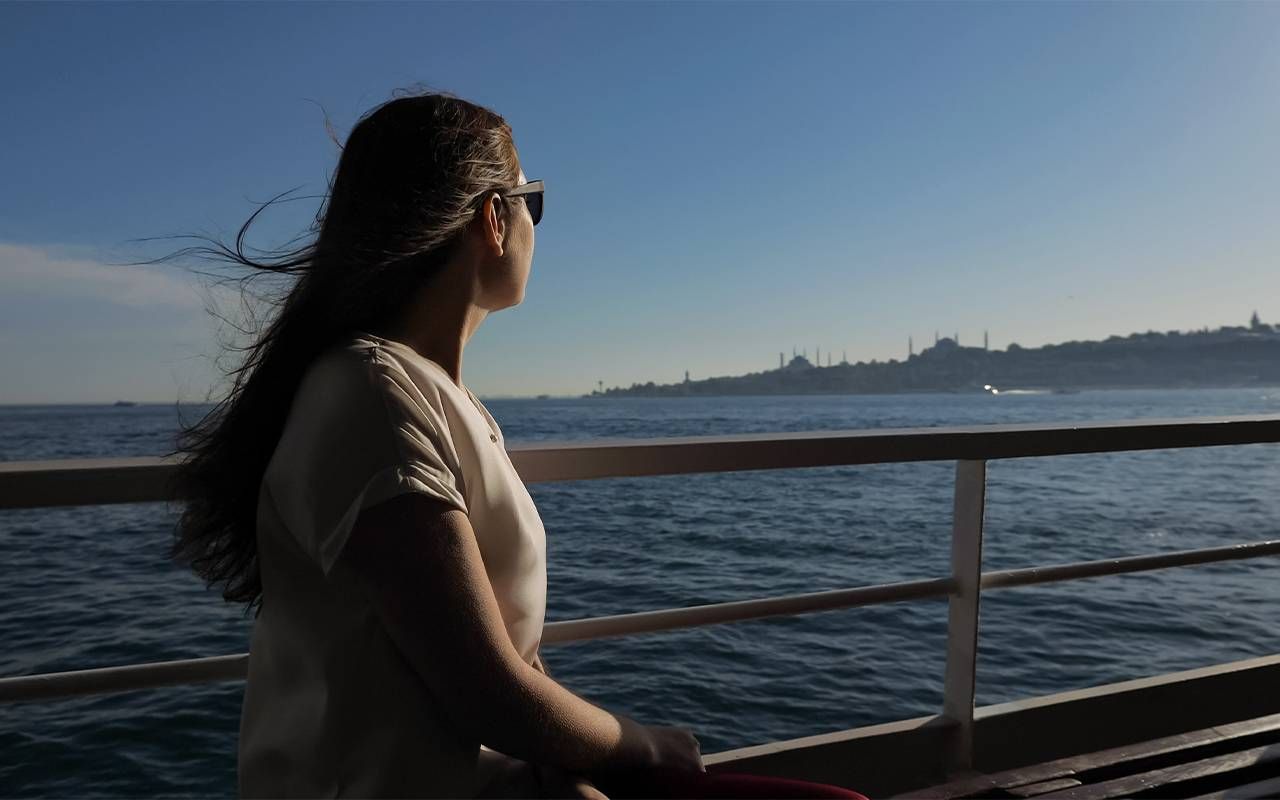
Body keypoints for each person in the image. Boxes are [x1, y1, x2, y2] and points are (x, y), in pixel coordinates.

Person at [163, 88, 868, 799]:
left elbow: (502, 675)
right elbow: (489, 692)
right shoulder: (372, 396)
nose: (536, 222)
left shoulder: (428, 395)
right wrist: (641, 746)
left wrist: (567, 766)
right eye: (534, 198)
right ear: (494, 220)